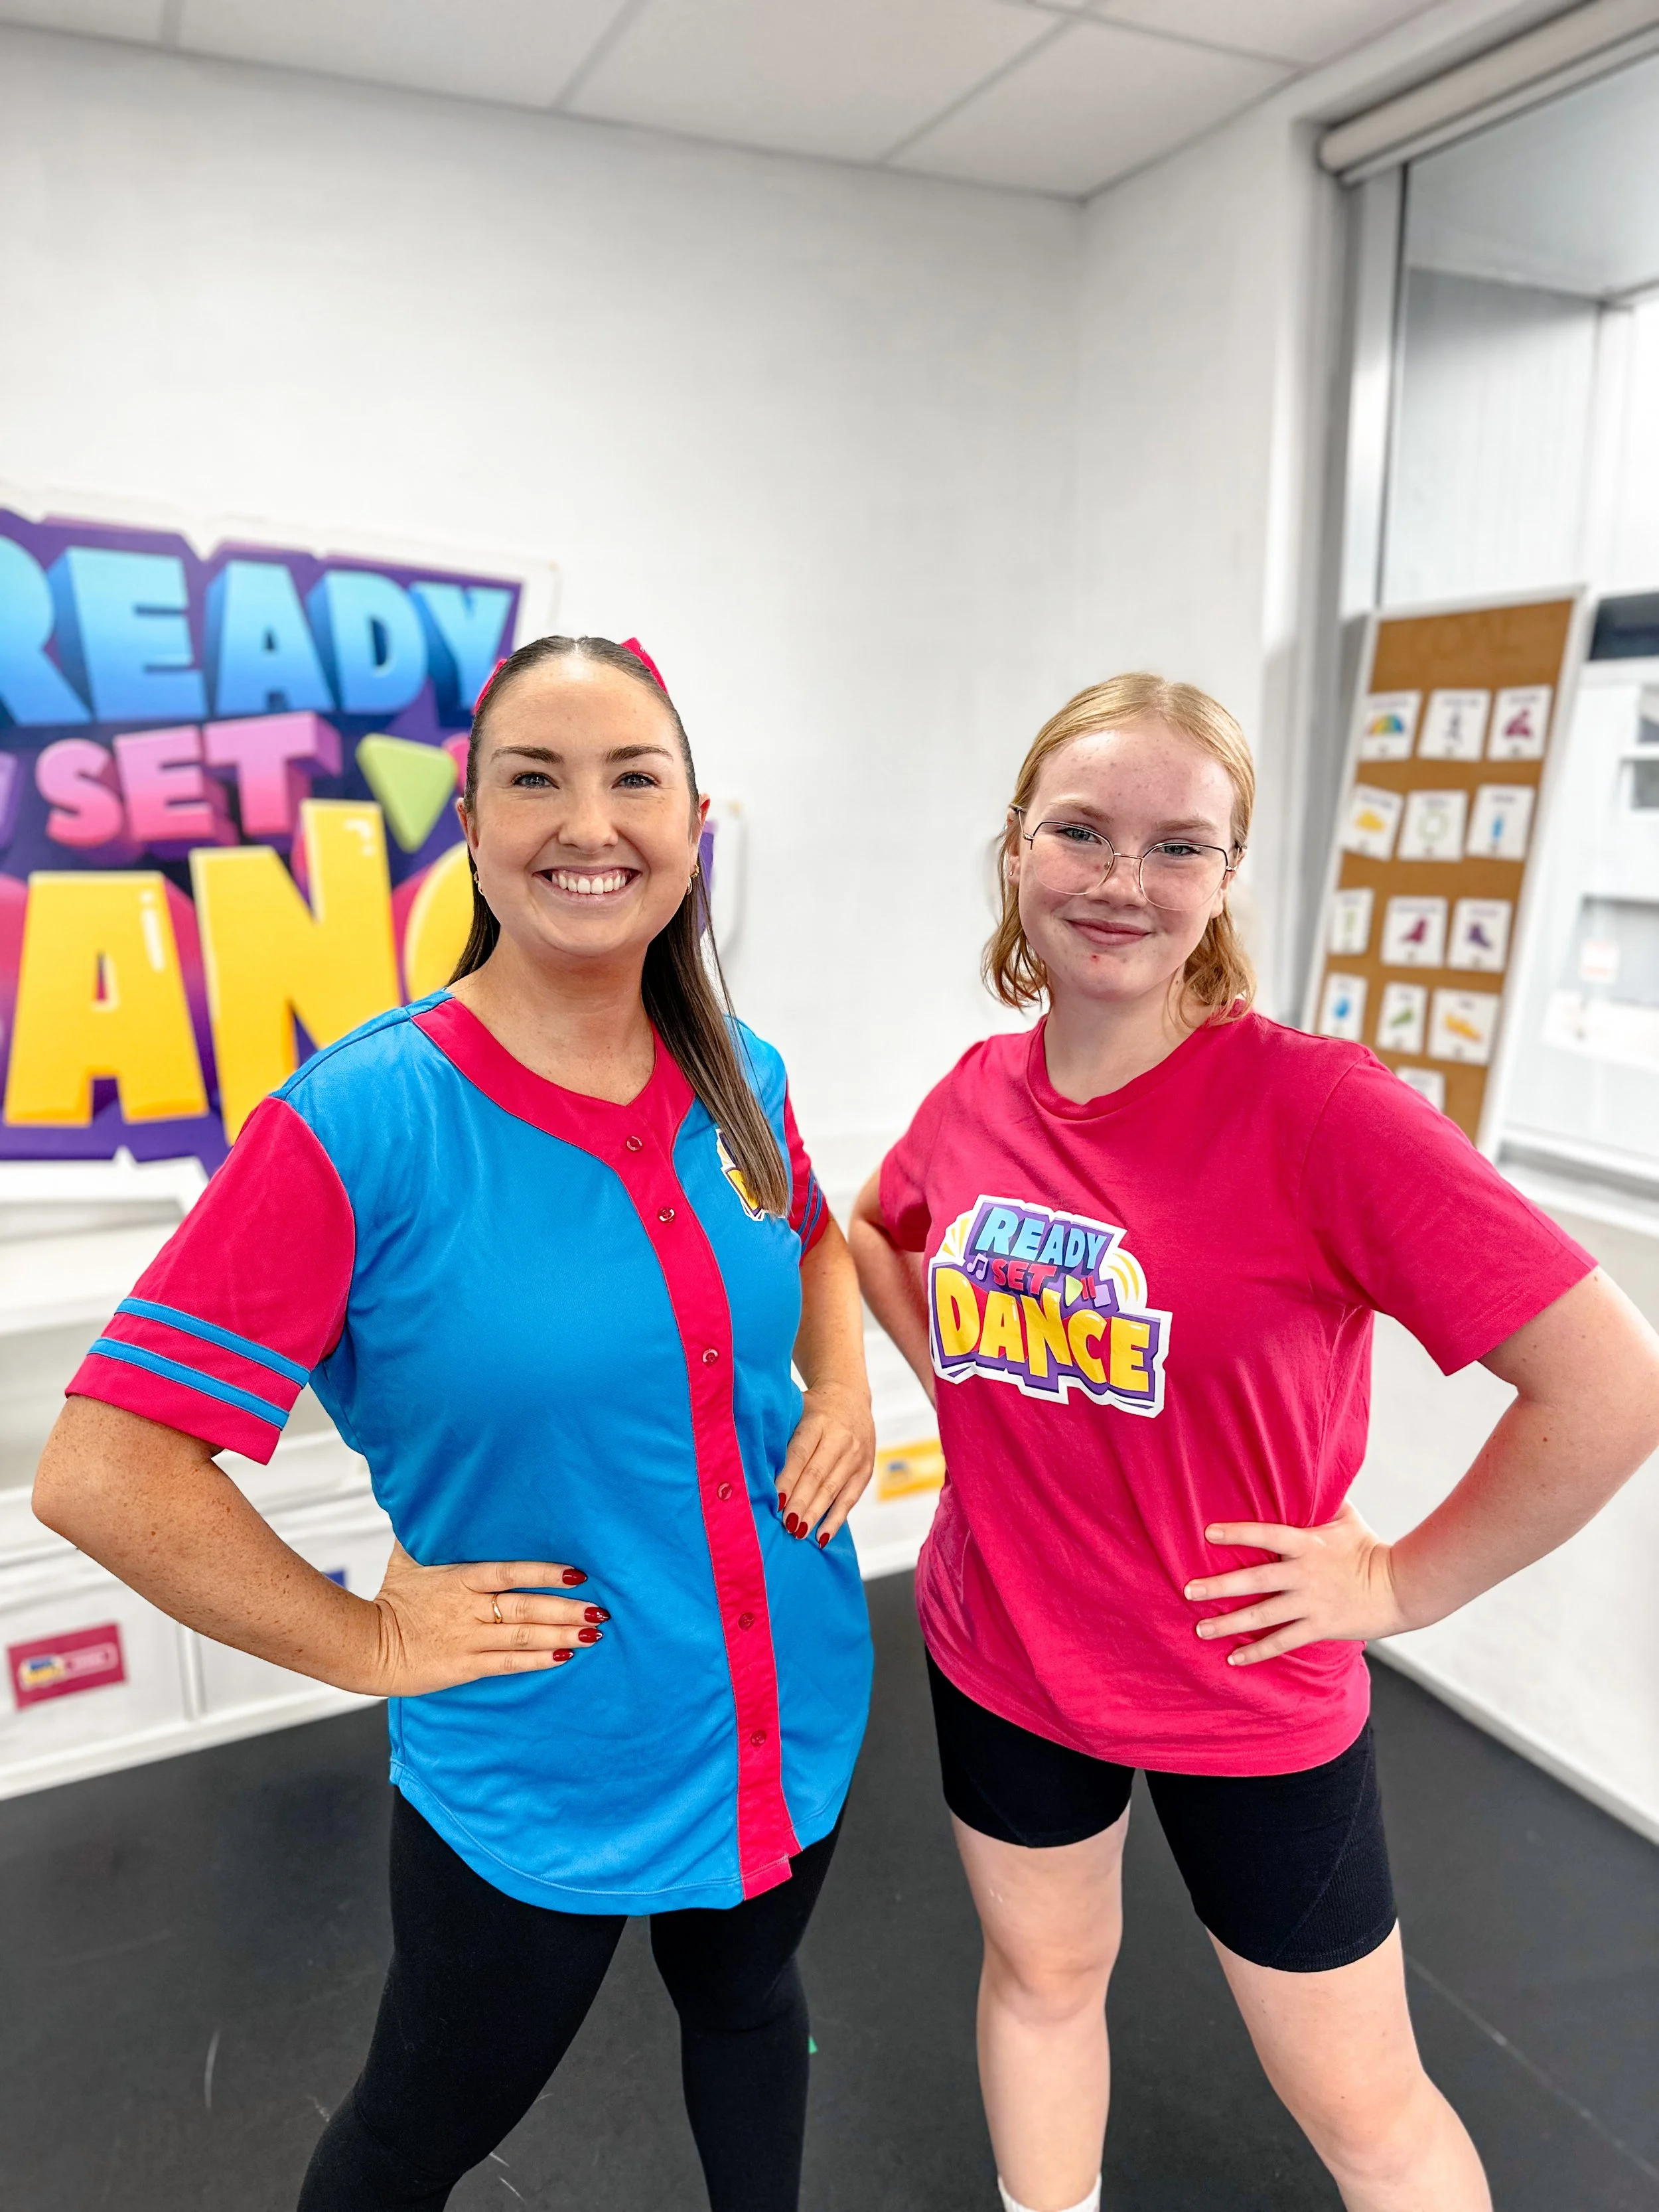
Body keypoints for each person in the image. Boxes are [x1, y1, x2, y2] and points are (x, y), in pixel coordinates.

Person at [34, 634, 875, 2212]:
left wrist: (842, 1381)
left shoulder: (736, 1066)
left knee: (751, 2006)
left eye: (635, 778)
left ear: (697, 822)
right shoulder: (359, 1123)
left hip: (792, 1712)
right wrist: (358, 1640)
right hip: (549, 1760)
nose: (590, 822)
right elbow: (102, 1467)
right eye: (533, 780)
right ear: (474, 834)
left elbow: (815, 1236)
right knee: (410, 2140)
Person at [849, 671, 1659, 2212]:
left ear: (1223, 881)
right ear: (1017, 846)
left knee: (1364, 2108)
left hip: (1244, 1686)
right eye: (1080, 830)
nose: (1119, 881)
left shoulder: (1317, 1112)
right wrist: (971, 1402)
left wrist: (1404, 1584)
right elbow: (881, 1234)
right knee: (1040, 1979)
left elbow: (1609, 1383)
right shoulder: (976, 1094)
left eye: (1177, 846)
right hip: (1002, 1647)